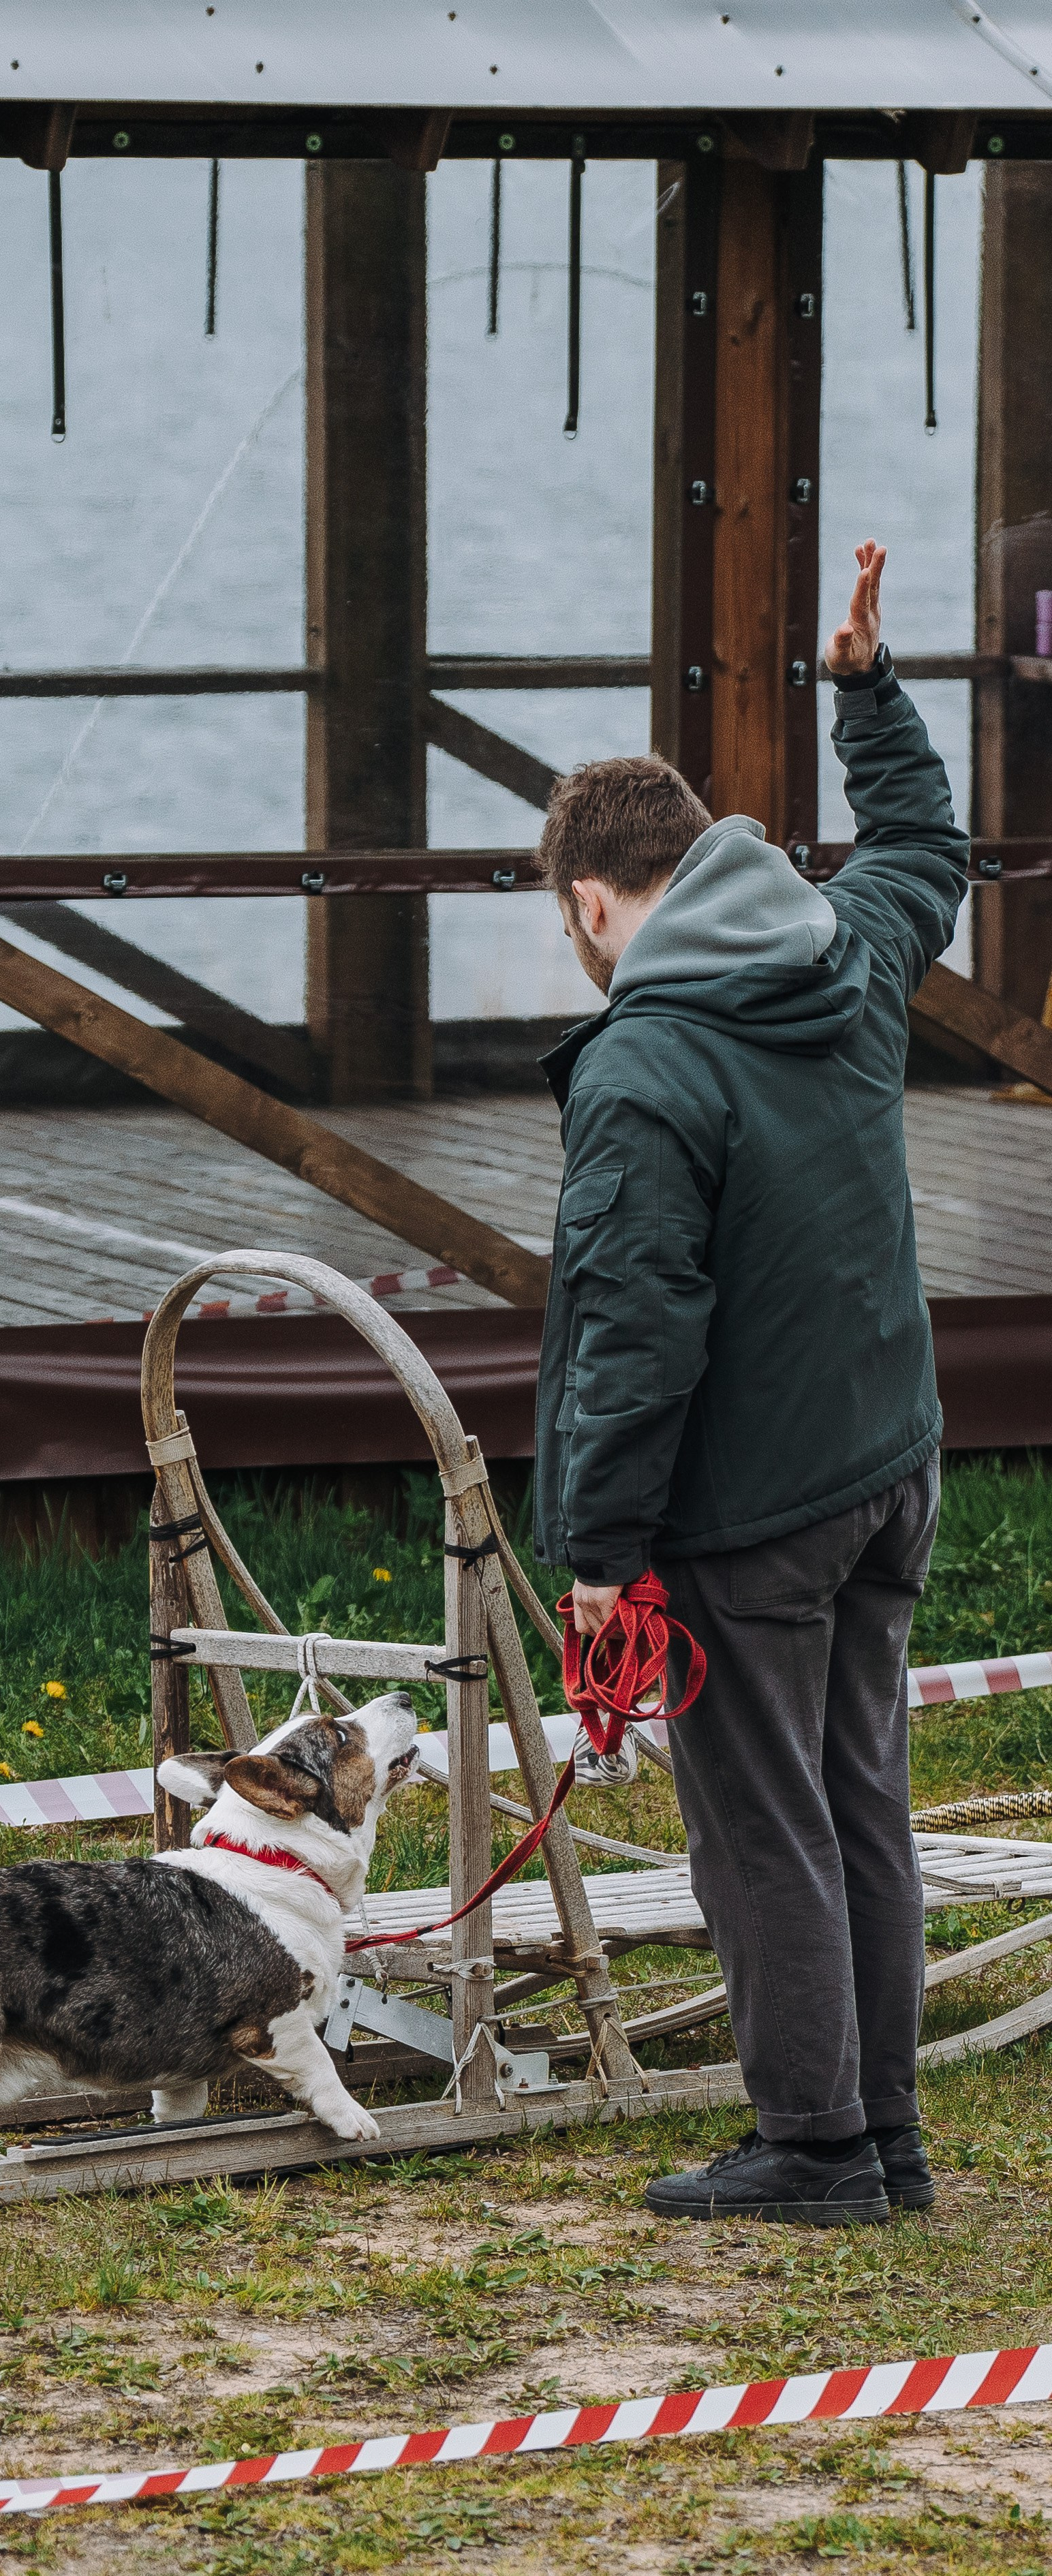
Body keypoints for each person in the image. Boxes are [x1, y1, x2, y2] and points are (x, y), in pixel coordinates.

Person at [533, 542, 966, 2224]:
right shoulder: (839, 959)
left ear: (590, 899)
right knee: (861, 1799)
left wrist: (594, 1552)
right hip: (890, 1462)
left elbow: (635, 1327)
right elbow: (923, 846)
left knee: (762, 1830)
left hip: (750, 1509)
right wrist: (863, 690)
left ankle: (813, 2149)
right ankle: (888, 2135)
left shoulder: (643, 1063)